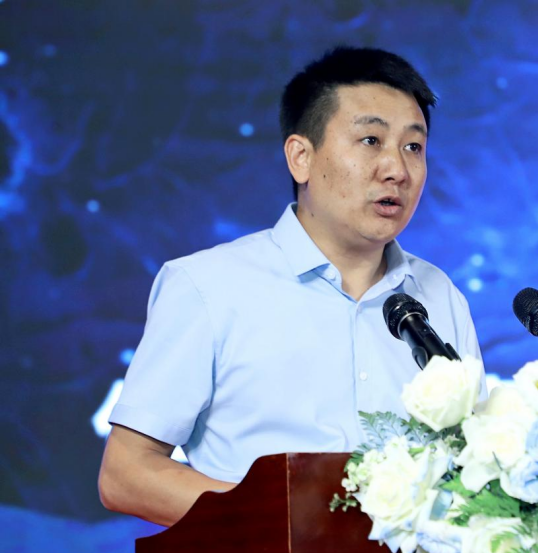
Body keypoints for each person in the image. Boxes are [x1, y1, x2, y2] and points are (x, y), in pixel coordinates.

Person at [98, 46, 485, 526]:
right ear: (301, 157)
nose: (397, 170)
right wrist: (292, 526)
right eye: (370, 140)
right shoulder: (208, 287)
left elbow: (478, 468)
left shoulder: (439, 295)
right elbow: (127, 474)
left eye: (413, 147)